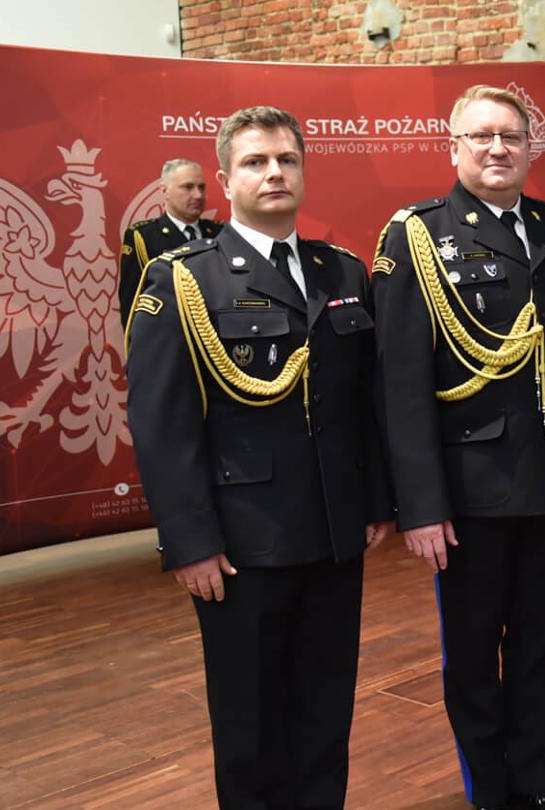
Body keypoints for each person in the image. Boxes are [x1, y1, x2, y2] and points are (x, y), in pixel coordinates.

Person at [125, 105, 394, 810]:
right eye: (255, 162)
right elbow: (162, 426)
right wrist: (190, 542)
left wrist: (374, 503)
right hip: (242, 541)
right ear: (224, 179)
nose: (273, 172)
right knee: (249, 721)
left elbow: (361, 402)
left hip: (334, 535)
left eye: (286, 159)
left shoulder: (340, 270)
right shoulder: (184, 280)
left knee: (324, 708)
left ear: (303, 170)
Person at [371, 84, 545, 810]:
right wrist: (419, 505)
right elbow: (401, 384)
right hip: (468, 492)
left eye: (510, 136)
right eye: (481, 137)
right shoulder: (416, 236)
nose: (498, 149)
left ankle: (535, 786)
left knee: (542, 647)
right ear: (455, 148)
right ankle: (490, 792)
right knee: (475, 656)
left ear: (531, 147)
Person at [119, 158, 221, 327]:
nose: (198, 195)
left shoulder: (219, 233)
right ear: (165, 191)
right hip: (167, 338)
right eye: (188, 187)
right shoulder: (144, 237)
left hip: (215, 341)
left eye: (201, 187)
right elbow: (132, 303)